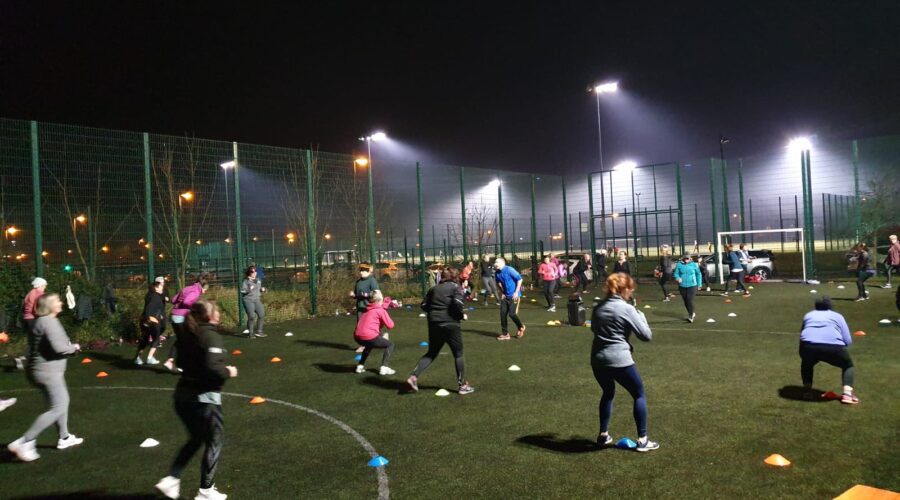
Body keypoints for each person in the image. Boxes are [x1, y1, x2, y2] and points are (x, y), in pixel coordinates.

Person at [155, 300, 237, 500]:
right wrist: (228, 371)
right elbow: (212, 367)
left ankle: (172, 479)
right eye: (215, 310)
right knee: (215, 440)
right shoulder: (210, 336)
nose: (218, 312)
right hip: (204, 399)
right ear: (208, 315)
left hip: (182, 397)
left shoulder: (187, 334)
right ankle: (205, 492)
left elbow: (180, 363)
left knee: (197, 437)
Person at [7, 294, 83, 462]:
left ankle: (64, 437)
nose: (61, 302)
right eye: (57, 301)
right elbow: (59, 348)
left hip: (43, 371)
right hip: (47, 372)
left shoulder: (42, 321)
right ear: (49, 306)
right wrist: (74, 348)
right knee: (58, 406)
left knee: (61, 403)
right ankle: (26, 441)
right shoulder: (48, 321)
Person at [589, 273, 658, 452]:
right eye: (631, 289)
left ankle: (603, 435)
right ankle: (643, 440)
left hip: (597, 359)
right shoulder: (627, 309)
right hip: (619, 360)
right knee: (639, 394)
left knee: (608, 392)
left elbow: (594, 329)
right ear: (625, 289)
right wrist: (640, 315)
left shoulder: (598, 307)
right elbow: (646, 336)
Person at [407, 268, 474, 395]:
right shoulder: (456, 288)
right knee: (458, 353)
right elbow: (457, 303)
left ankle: (413, 376)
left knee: (432, 352)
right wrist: (461, 316)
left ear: (442, 277)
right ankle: (462, 385)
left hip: (434, 323)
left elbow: (423, 305)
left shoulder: (434, 289)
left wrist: (435, 313)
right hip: (450, 323)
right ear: (455, 277)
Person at [799, 297, 858, 404]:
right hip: (833, 347)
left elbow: (802, 334)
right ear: (830, 306)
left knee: (807, 363)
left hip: (808, 346)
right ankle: (847, 394)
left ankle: (807, 391)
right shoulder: (837, 316)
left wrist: (804, 354)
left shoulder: (808, 315)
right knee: (848, 365)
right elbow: (848, 340)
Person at [164, 273, 210, 373]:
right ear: (203, 287)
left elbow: (173, 300)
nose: (205, 292)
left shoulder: (187, 288)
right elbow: (186, 301)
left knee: (182, 340)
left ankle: (172, 361)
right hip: (180, 317)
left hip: (174, 316)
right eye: (206, 290)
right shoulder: (196, 292)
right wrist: (195, 306)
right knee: (190, 340)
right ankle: (182, 363)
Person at [353, 290, 396, 375]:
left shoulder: (367, 309)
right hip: (368, 335)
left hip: (357, 336)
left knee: (369, 345)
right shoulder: (380, 310)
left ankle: (360, 366)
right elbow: (390, 325)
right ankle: (384, 367)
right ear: (381, 299)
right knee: (390, 345)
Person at [135, 278, 168, 365]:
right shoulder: (154, 297)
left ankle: (138, 358)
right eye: (161, 286)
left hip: (146, 320)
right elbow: (149, 310)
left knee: (146, 340)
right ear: (156, 288)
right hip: (150, 321)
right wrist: (153, 319)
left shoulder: (152, 295)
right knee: (156, 339)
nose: (162, 287)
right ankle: (149, 358)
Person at [494, 258, 525, 340]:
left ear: (502, 263)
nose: (495, 264)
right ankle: (505, 334)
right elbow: (498, 283)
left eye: (496, 262)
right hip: (506, 296)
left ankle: (521, 327)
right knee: (502, 314)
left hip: (514, 296)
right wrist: (502, 292)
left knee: (512, 314)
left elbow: (520, 279)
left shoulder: (509, 270)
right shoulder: (497, 273)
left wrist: (516, 292)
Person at [673, 253, 703, 322]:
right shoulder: (679, 265)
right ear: (683, 258)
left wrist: (699, 284)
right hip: (682, 286)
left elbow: (698, 274)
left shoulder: (694, 265)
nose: (687, 259)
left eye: (688, 258)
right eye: (685, 258)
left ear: (690, 258)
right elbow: (676, 273)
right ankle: (692, 312)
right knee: (686, 301)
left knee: (689, 300)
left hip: (692, 285)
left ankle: (691, 316)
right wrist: (678, 278)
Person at [240, 265, 266, 338]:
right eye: (252, 271)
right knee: (251, 316)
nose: (254, 273)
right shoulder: (245, 281)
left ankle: (259, 332)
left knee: (261, 314)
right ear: (249, 273)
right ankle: (251, 333)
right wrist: (249, 289)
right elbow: (242, 291)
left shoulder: (258, 280)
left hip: (257, 300)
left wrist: (262, 289)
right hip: (248, 300)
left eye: (255, 271)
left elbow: (259, 289)